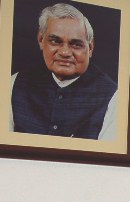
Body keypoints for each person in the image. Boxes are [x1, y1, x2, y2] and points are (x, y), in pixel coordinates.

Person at [9, 3, 117, 140]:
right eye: (55, 41)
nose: (65, 52)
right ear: (41, 40)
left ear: (90, 48)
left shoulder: (113, 98)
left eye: (76, 44)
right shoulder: (14, 84)